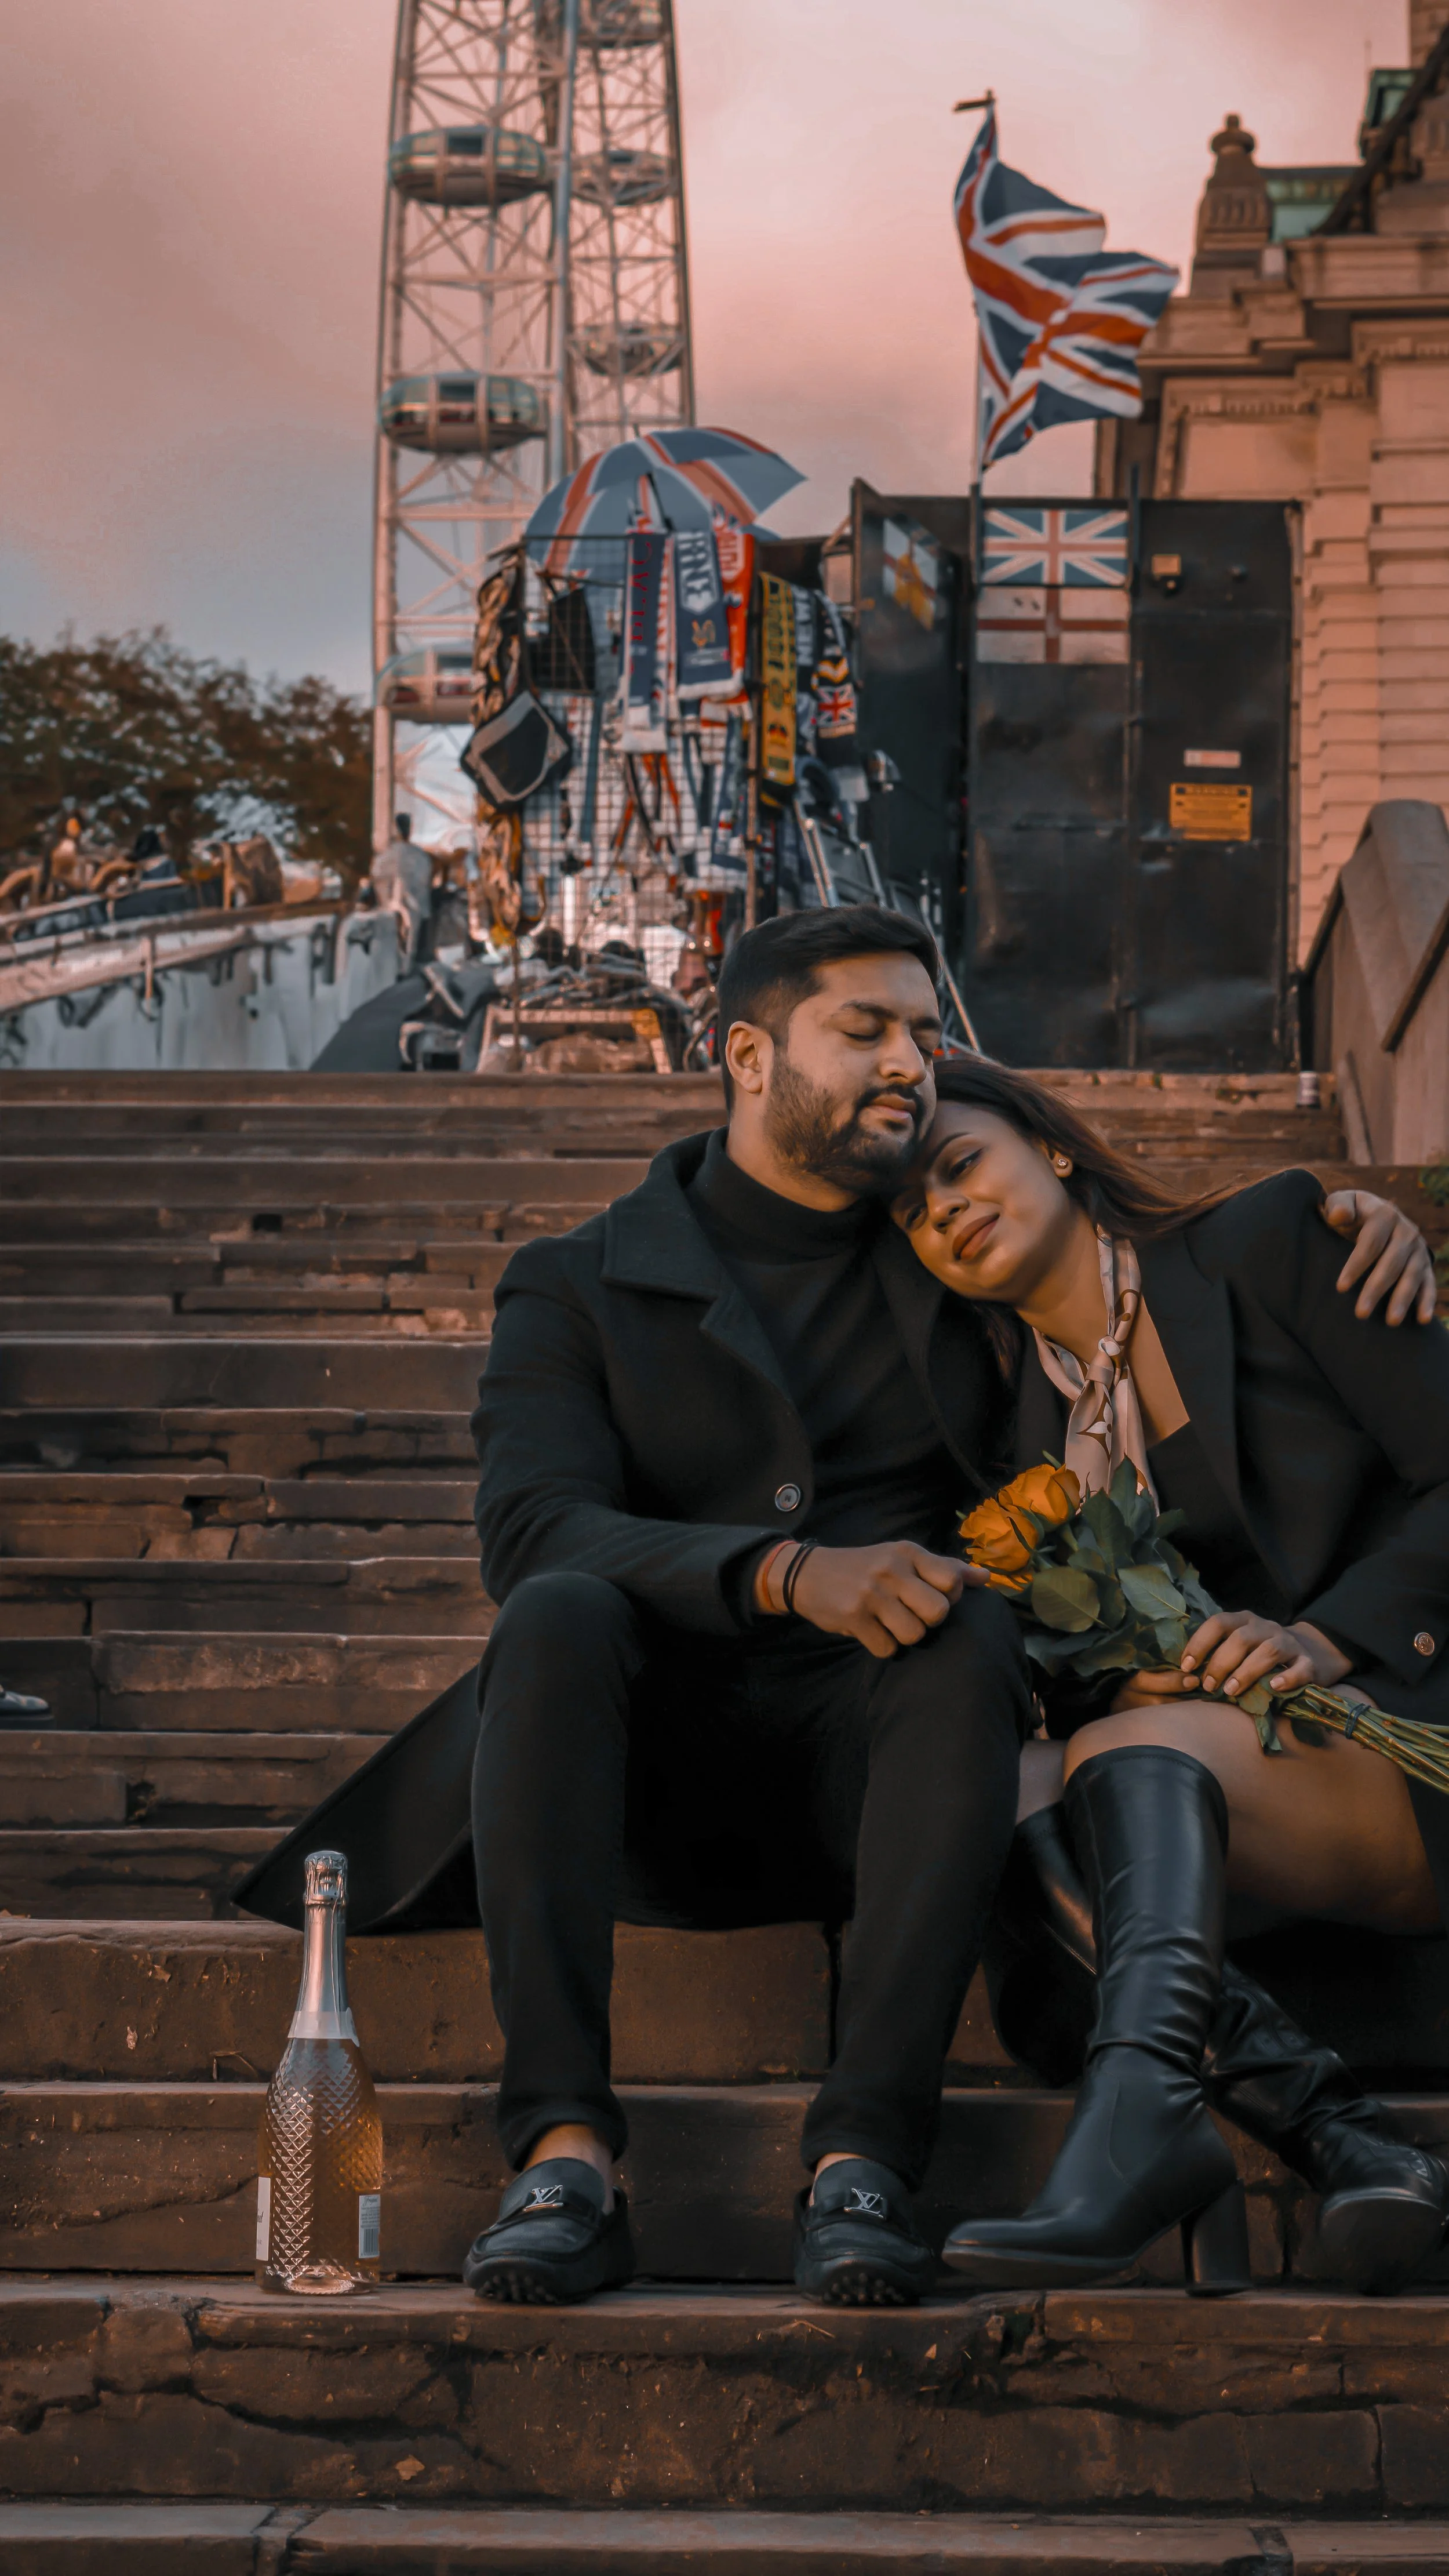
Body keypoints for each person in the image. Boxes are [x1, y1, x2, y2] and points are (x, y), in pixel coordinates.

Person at [233, 904, 1430, 2308]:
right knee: (556, 1611)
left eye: (926, 1033)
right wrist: (787, 1570)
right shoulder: (578, 1281)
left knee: (970, 1628)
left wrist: (1366, 1221)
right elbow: (530, 1525)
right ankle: (561, 2155)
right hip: (653, 1782)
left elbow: (1116, 1307)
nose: (909, 1063)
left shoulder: (945, 1267)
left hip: (905, 1785)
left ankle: (865, 2162)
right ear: (749, 1053)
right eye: (864, 1030)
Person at [889, 1055, 1449, 2295]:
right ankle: (1342, 2139)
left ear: (1056, 1148)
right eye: (912, 1211)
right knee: (1004, 1779)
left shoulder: (1273, 1242)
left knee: (1114, 1758)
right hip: (1248, 1790)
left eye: (960, 1163)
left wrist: (1330, 1639)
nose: (943, 1209)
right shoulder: (1018, 1445)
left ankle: (1171, 2130)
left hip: (1415, 1727)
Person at [370, 812, 433, 967]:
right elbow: (425, 880)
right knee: (408, 940)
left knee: (398, 941)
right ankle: (404, 968)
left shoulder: (386, 856)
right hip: (409, 906)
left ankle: (401, 969)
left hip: (393, 906)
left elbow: (377, 876)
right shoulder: (418, 856)